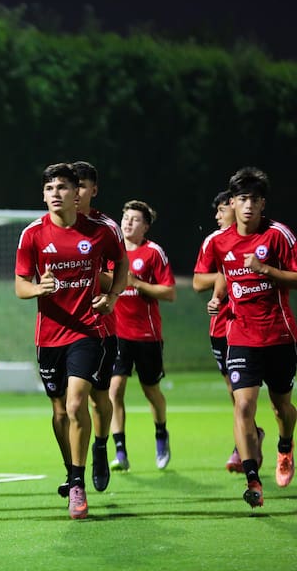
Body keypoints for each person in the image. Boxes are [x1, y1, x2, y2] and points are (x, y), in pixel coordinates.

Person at [15, 163, 127, 520]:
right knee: (60, 410)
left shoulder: (100, 230)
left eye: (62, 187)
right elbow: (20, 287)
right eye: (49, 188)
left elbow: (122, 265)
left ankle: (81, 478)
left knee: (82, 403)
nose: (56, 194)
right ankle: (72, 468)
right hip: (49, 336)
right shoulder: (32, 235)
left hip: (88, 332)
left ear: (77, 192)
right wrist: (39, 287)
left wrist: (112, 298)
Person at [202, 167, 297, 508]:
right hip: (240, 335)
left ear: (262, 204)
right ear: (233, 202)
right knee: (243, 404)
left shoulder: (278, 236)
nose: (247, 206)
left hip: (279, 335)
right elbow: (210, 276)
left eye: (254, 200)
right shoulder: (219, 241)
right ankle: (253, 479)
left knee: (281, 406)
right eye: (242, 199)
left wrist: (266, 271)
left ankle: (285, 446)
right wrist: (217, 294)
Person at [193, 190, 265, 472]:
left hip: (256, 327)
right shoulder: (215, 241)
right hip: (222, 326)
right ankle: (247, 443)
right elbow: (198, 283)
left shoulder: (264, 237)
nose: (217, 216)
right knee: (236, 393)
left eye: (222, 210)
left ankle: (273, 442)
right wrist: (229, 270)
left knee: (261, 397)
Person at [109, 200, 176, 472]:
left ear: (145, 226)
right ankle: (120, 451)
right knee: (114, 391)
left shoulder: (153, 253)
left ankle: (161, 433)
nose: (128, 223)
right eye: (125, 217)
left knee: (151, 391)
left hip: (147, 335)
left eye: (135, 219)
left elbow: (169, 292)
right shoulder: (112, 251)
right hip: (116, 334)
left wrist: (137, 284)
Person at [71, 160, 125, 495]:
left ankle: (101, 446)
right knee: (69, 404)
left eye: (82, 185)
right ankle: (72, 472)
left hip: (100, 326)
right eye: (70, 185)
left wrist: (85, 272)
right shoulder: (53, 227)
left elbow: (120, 273)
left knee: (98, 397)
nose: (75, 192)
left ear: (94, 190)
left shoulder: (106, 228)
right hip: (62, 330)